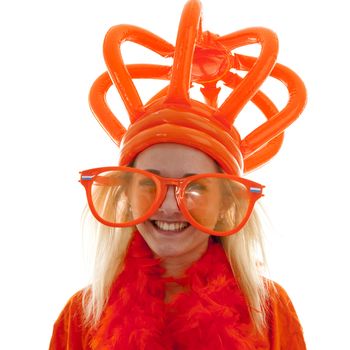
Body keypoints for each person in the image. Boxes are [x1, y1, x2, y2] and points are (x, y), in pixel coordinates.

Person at [49, 0, 307, 348]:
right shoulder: (82, 316)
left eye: (196, 187)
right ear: (125, 193)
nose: (169, 205)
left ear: (225, 203)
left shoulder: (269, 310)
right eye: (148, 182)